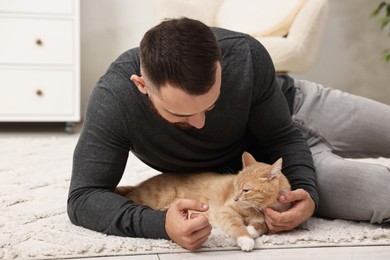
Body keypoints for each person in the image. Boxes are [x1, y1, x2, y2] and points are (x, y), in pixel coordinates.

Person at [67, 17, 390, 251]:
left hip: (297, 107)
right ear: (142, 86)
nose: (199, 123)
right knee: (381, 193)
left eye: (211, 106)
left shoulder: (244, 53)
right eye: (181, 114)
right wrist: (159, 224)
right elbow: (84, 197)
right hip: (252, 168)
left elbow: (283, 136)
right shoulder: (113, 99)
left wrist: (307, 193)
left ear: (221, 68)